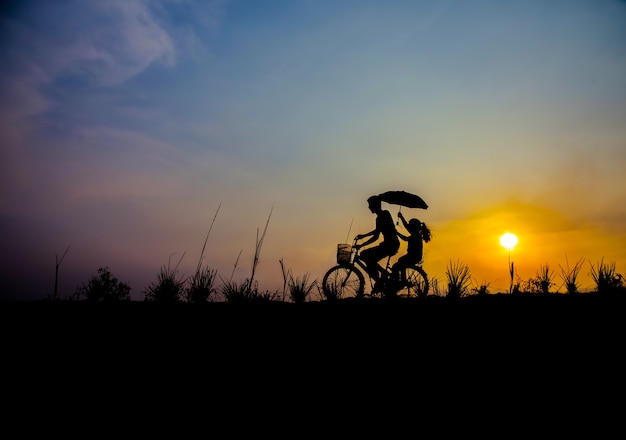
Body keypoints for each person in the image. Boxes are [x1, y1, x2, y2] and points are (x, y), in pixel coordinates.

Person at [355, 195, 400, 286]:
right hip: (387, 244)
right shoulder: (379, 218)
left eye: (370, 205)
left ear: (375, 205)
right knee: (365, 255)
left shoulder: (385, 214)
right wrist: (362, 239)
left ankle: (382, 275)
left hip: (391, 244)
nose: (369, 207)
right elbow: (376, 235)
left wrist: (362, 239)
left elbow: (376, 234)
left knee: (365, 255)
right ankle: (379, 277)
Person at [391, 211, 431, 283]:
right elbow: (407, 227)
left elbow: (405, 238)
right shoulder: (417, 235)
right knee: (400, 262)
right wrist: (401, 217)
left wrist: (397, 233)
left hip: (412, 257)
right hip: (415, 257)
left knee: (396, 266)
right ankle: (401, 280)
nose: (408, 228)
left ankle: (401, 281)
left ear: (413, 228)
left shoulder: (415, 236)